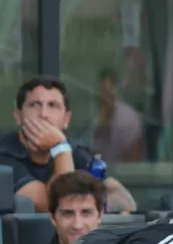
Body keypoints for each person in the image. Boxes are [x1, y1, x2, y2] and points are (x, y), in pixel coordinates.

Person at [0, 76, 136, 213]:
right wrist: (60, 148)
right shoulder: (4, 156)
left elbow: (125, 201)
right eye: (34, 105)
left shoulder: (74, 152)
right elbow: (54, 206)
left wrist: (89, 203)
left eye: (53, 105)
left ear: (66, 119)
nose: (43, 114)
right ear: (18, 116)